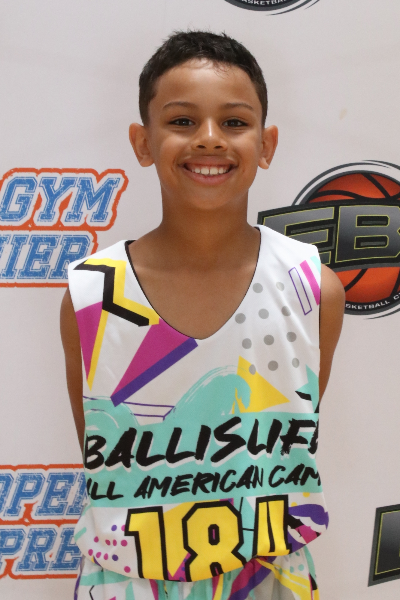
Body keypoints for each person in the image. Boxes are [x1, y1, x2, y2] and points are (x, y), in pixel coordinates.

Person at [61, 30, 344, 600]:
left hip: (270, 578)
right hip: (128, 580)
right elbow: (99, 454)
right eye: (183, 121)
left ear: (266, 143)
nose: (209, 138)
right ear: (143, 142)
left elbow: (295, 434)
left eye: (234, 122)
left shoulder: (313, 288)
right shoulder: (91, 295)